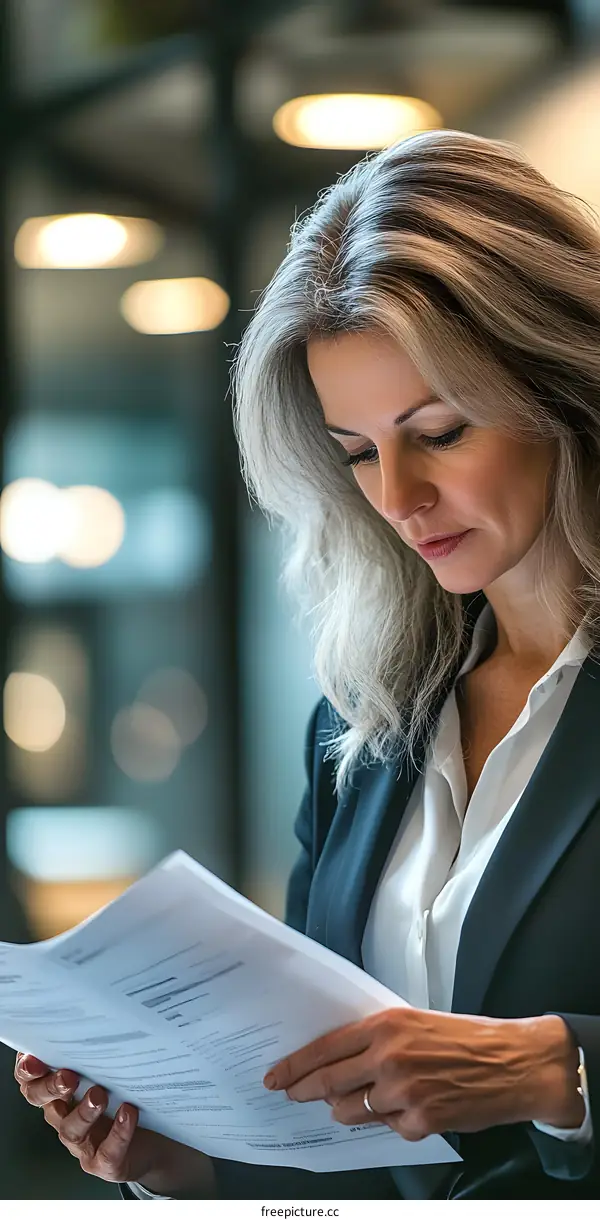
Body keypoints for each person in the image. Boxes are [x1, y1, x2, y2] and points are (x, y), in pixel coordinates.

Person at [14, 128, 600, 1199]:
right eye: (359, 451)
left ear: (563, 381)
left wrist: (557, 1068)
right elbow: (347, 1157)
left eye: (441, 429)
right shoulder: (360, 727)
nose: (397, 497)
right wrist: (188, 1156)